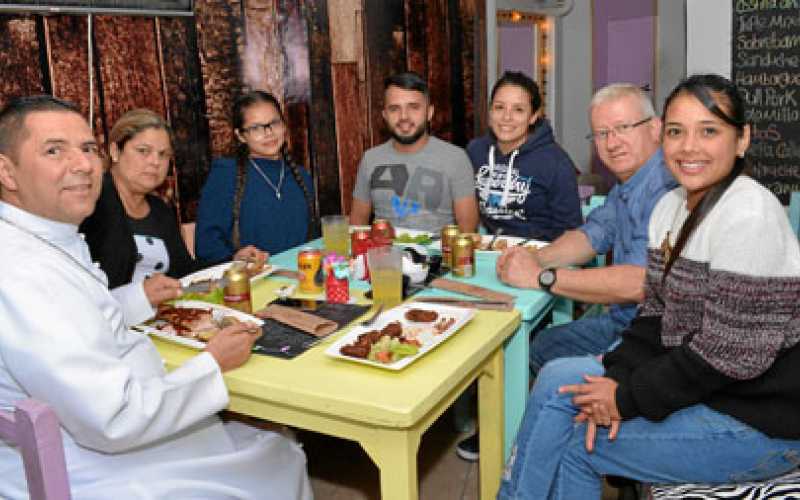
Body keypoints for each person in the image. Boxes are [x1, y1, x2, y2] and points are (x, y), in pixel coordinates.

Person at [496, 73, 800, 500]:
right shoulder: (672, 209)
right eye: (678, 132)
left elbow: (725, 357)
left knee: (574, 440)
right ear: (664, 137)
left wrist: (626, 398)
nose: (689, 147)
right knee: (559, 376)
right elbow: (653, 314)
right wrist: (618, 377)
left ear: (742, 139)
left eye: (708, 131)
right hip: (709, 392)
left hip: (761, 422)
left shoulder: (749, 213)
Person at [0, 95, 311, 499]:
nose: (81, 165)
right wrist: (211, 364)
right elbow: (114, 418)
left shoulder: (46, 238)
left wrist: (138, 298)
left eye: (87, 149)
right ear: (7, 171)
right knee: (278, 455)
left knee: (260, 442)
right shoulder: (24, 270)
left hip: (97, 427)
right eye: (54, 150)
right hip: (84, 462)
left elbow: (84, 315)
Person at [457, 83, 677, 462]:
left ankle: (577, 438)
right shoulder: (629, 183)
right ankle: (551, 429)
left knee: (551, 373)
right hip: (622, 321)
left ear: (655, 128)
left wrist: (543, 278)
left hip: (654, 338)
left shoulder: (666, 186)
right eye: (602, 133)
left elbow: (640, 282)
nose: (612, 142)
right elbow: (591, 235)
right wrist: (535, 259)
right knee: (541, 346)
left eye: (624, 128)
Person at [80, 108, 265, 289]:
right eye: (143, 151)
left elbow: (185, 275)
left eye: (163, 154)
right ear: (115, 151)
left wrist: (233, 264)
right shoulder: (90, 203)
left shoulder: (160, 211)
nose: (155, 162)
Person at [349, 71, 479, 233]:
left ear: (429, 112)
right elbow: (357, 222)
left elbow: (467, 229)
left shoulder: (456, 158)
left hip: (438, 255)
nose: (404, 116)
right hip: (383, 255)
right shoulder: (370, 159)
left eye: (414, 107)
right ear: (384, 115)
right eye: (394, 109)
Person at [196, 91, 317, 262]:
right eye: (256, 128)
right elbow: (206, 245)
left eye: (274, 123)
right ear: (240, 136)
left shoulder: (301, 176)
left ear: (284, 125)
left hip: (302, 279)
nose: (268, 133)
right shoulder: (226, 174)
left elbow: (312, 239)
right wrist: (234, 258)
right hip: (252, 281)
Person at [468, 71, 582, 241]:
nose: (507, 117)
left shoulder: (556, 163)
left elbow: (571, 232)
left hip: (541, 254)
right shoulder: (476, 151)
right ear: (490, 111)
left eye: (518, 110)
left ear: (533, 117)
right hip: (489, 251)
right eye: (499, 107)